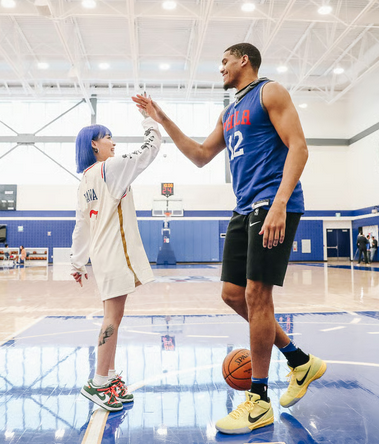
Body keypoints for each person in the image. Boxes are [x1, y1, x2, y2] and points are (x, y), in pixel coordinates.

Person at [133, 42, 326, 435]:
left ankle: (258, 402)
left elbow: (299, 148)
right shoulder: (230, 110)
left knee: (258, 294)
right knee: (233, 295)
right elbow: (201, 154)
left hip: (272, 202)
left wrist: (279, 202)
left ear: (244, 60)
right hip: (243, 208)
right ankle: (299, 360)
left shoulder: (269, 92)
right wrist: (161, 117)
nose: (219, 67)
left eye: (224, 60)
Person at [70, 110, 161, 412]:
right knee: (112, 319)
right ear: (93, 145)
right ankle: (97, 384)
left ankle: (108, 377)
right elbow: (149, 151)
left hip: (102, 254)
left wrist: (77, 261)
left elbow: (81, 226)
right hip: (113, 253)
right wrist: (151, 123)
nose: (113, 141)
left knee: (114, 318)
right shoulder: (109, 168)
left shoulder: (85, 180)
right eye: (107, 137)